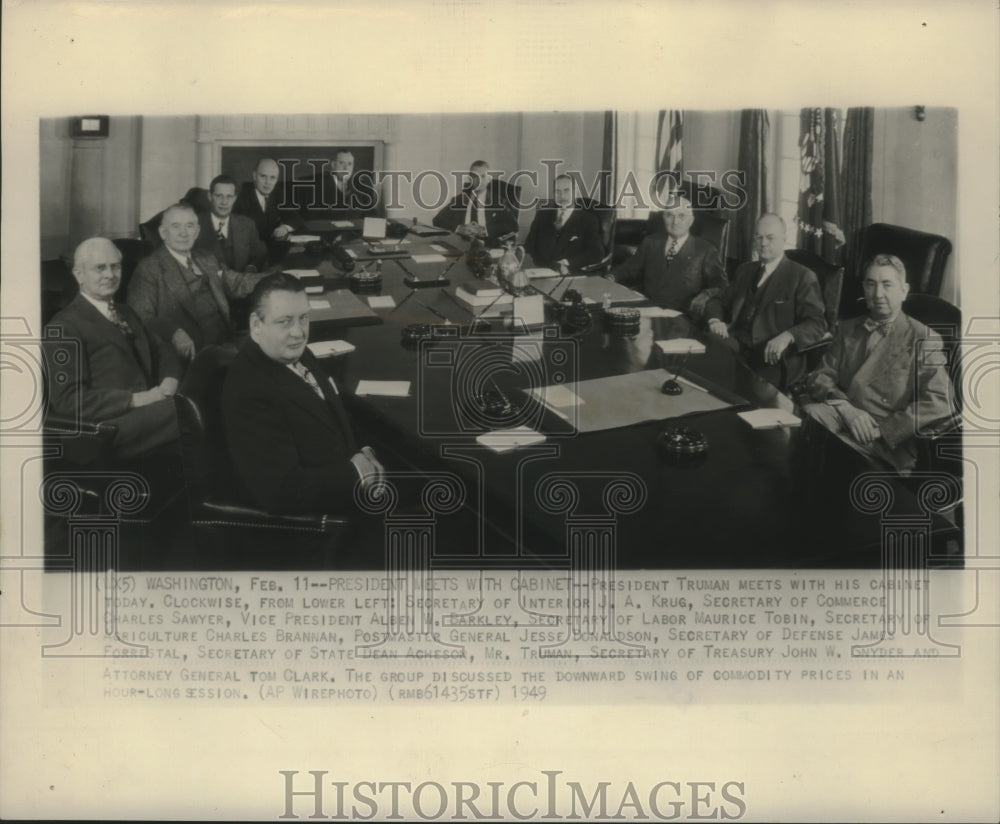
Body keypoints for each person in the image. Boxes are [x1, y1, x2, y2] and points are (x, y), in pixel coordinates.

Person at [221, 272, 384, 515]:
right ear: (256, 325)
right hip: (326, 525)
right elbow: (282, 491)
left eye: (304, 318)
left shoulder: (294, 352)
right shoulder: (249, 390)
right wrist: (357, 473)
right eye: (285, 321)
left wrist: (366, 452)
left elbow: (334, 415)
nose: (298, 332)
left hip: (353, 484)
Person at [798, 253, 955, 473]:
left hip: (884, 440)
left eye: (887, 285)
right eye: (871, 284)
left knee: (823, 458)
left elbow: (941, 400)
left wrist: (885, 430)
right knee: (807, 422)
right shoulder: (848, 328)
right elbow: (820, 376)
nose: (878, 294)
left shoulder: (923, 337)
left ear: (904, 290)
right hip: (843, 416)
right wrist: (846, 408)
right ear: (863, 288)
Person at [44, 238, 180, 458]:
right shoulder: (62, 327)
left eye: (115, 266)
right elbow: (68, 402)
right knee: (190, 410)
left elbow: (162, 349)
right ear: (79, 275)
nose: (110, 274)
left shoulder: (126, 312)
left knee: (203, 391)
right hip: (104, 429)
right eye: (100, 268)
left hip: (150, 411)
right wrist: (137, 399)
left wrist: (169, 381)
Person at [128, 202, 264, 362]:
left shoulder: (206, 258)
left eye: (189, 226)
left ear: (197, 231)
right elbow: (139, 316)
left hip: (228, 339)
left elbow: (237, 283)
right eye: (176, 226)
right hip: (196, 354)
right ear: (163, 233)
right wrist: (173, 332)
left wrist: (282, 277)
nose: (183, 233)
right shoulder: (149, 268)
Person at [705, 214, 827, 388]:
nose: (763, 243)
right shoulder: (745, 270)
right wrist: (715, 320)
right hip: (737, 345)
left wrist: (787, 336)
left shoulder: (802, 276)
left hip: (772, 358)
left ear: (784, 238)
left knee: (749, 396)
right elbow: (717, 301)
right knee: (703, 369)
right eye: (759, 237)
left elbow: (818, 323)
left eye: (770, 238)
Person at [609, 195, 727, 315]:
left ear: (691, 221)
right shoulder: (651, 242)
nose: (675, 222)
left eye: (681, 216)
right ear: (663, 218)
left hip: (682, 315)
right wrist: (612, 277)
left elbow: (721, 286)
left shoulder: (706, 250)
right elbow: (630, 268)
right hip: (647, 309)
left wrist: (706, 295)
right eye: (669, 215)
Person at [524, 174, 604, 271]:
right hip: (540, 270)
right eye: (557, 191)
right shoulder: (542, 215)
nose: (562, 196)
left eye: (566, 191)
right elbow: (529, 246)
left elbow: (596, 253)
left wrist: (567, 263)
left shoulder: (588, 219)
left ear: (576, 193)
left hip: (569, 274)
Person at [432, 160, 519, 245]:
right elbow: (437, 220)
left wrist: (485, 230)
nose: (479, 181)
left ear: (489, 179)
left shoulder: (497, 201)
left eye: (483, 176)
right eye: (475, 176)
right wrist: (459, 228)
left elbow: (513, 225)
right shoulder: (459, 200)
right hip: (462, 245)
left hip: (487, 247)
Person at [194, 174, 268, 272]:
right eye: (219, 196)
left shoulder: (247, 224)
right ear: (210, 196)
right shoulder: (195, 224)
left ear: (235, 198)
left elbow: (260, 255)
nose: (224, 202)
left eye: (229, 196)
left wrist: (251, 268)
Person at [232, 157, 299, 243]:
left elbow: (295, 218)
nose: (268, 182)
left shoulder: (277, 193)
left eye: (272, 178)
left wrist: (284, 227)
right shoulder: (241, 196)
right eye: (263, 176)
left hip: (271, 249)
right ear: (254, 176)